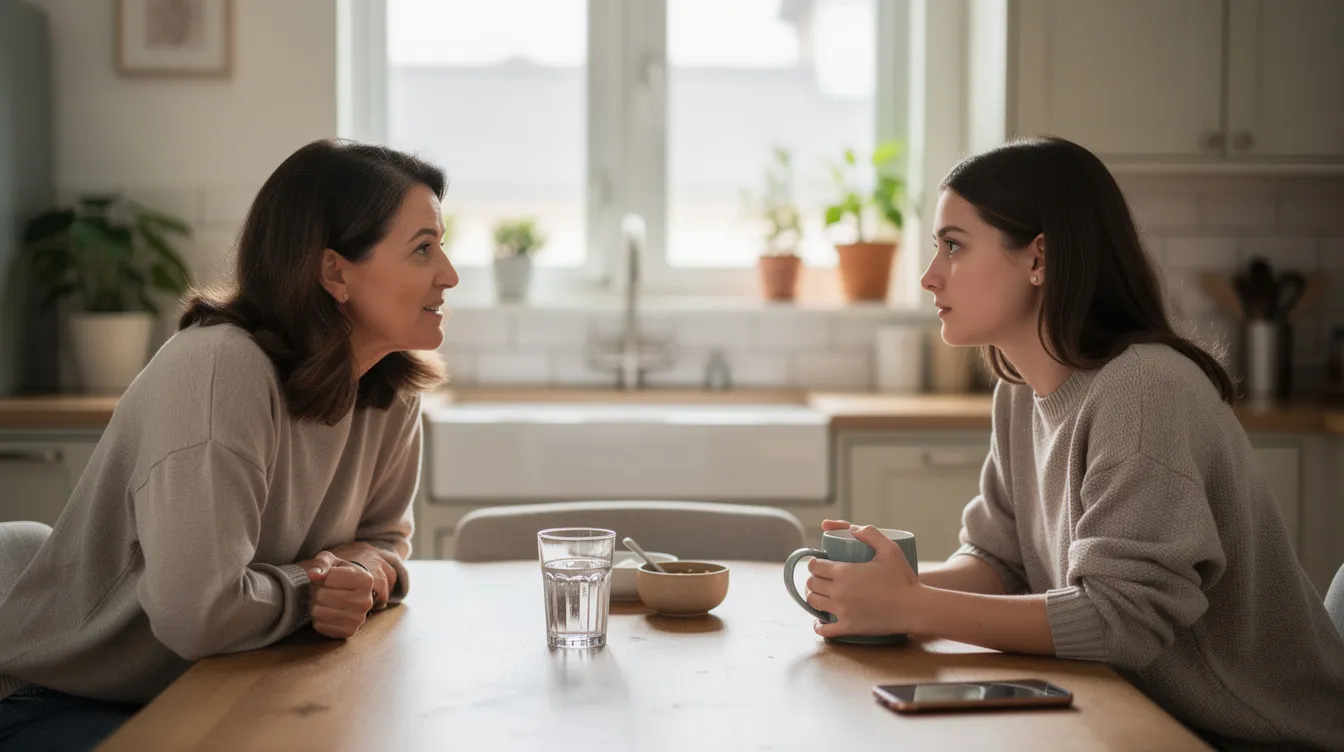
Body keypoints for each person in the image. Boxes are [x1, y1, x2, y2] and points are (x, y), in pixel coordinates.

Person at [806, 136, 1344, 750]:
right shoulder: (1019, 387)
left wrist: (910, 607)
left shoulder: (1144, 389)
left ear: (1041, 258)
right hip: (1136, 714)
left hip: (1258, 737)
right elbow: (1002, 564)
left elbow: (1122, 620)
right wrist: (883, 590)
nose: (930, 277)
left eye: (953, 246)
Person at [0, 138, 458, 751]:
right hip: (62, 697)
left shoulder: (388, 386)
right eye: (422, 249)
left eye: (441, 245)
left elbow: (384, 543)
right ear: (334, 272)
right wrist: (313, 585)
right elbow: (200, 614)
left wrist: (365, 569)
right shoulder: (220, 371)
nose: (449, 274)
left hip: (219, 680)